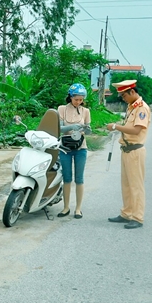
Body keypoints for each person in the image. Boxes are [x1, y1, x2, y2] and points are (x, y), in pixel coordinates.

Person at [106, 80, 151, 229]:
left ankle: (137, 217)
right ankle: (127, 213)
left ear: (132, 92)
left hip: (135, 151)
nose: (122, 98)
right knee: (126, 185)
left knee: (136, 186)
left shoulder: (141, 109)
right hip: (126, 150)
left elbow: (137, 130)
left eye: (124, 95)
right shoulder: (131, 107)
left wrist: (116, 126)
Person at [57, 83, 91, 219]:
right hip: (65, 147)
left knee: (79, 178)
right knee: (66, 178)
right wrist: (72, 127)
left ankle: (78, 209)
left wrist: (86, 129)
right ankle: (66, 207)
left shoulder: (86, 111)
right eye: (76, 99)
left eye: (81, 99)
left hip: (80, 147)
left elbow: (87, 129)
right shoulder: (62, 109)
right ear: (70, 97)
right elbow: (59, 128)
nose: (79, 102)